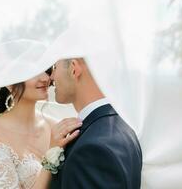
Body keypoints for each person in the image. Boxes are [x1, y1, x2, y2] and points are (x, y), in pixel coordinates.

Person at [0, 67, 82, 189]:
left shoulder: (56, 125)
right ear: (9, 82)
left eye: (46, 69)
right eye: (33, 71)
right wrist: (51, 155)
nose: (46, 78)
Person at [49, 58, 143, 189]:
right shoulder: (125, 129)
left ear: (74, 69)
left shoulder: (92, 149)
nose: (51, 77)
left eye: (55, 67)